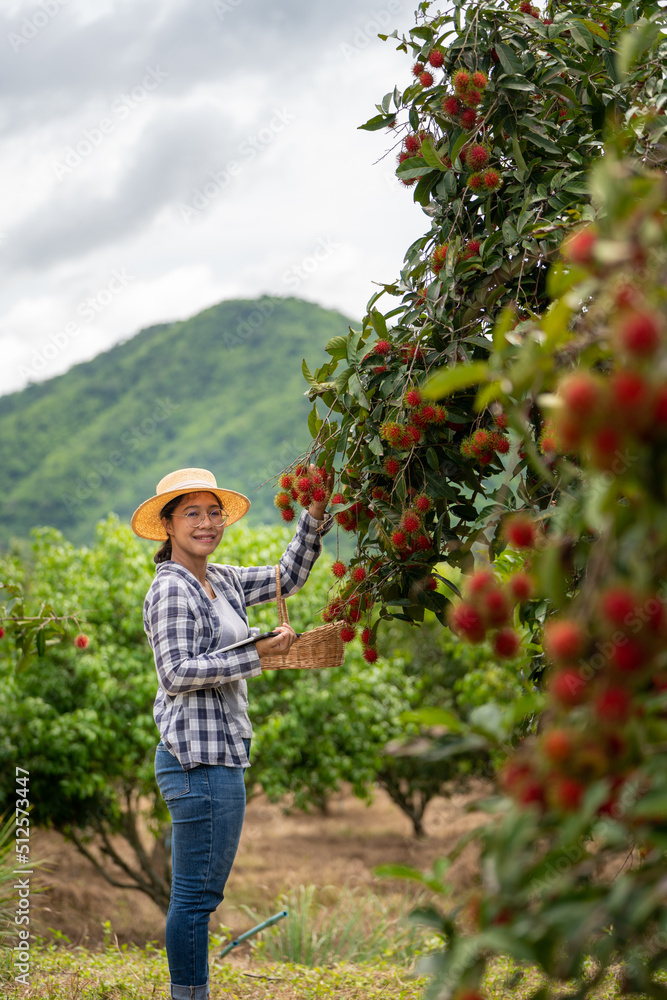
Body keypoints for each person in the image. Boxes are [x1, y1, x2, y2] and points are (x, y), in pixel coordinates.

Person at [131, 466, 331, 1000]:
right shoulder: (171, 588)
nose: (206, 523)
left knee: (202, 895)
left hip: (223, 754)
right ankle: (189, 994)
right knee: (195, 898)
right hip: (195, 760)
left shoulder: (219, 579)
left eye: (213, 512)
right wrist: (255, 653)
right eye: (191, 513)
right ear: (168, 525)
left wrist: (313, 514)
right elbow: (175, 672)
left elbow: (287, 577)